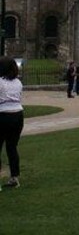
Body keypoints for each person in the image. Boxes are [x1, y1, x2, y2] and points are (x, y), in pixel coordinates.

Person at [0, 57, 24, 190]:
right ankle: (14, 177)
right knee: (12, 147)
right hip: (17, 115)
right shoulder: (18, 82)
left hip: (3, 114)